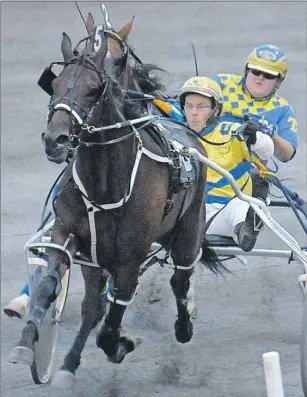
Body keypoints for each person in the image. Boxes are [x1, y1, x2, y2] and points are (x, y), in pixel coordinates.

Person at [210, 44, 298, 246]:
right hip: (207, 156)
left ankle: (248, 223)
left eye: (268, 76)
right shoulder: (220, 84)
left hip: (248, 171)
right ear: (246, 70)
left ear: (278, 82)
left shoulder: (283, 109)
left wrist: (272, 135)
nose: (260, 78)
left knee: (259, 179)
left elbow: (287, 154)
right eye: (255, 71)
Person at [175, 76, 274, 248]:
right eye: (189, 106)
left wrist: (256, 137)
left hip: (225, 210)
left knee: (241, 206)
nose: (194, 113)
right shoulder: (175, 135)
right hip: (186, 213)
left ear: (215, 109)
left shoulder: (232, 132)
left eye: (201, 106)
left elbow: (267, 151)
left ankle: (248, 226)